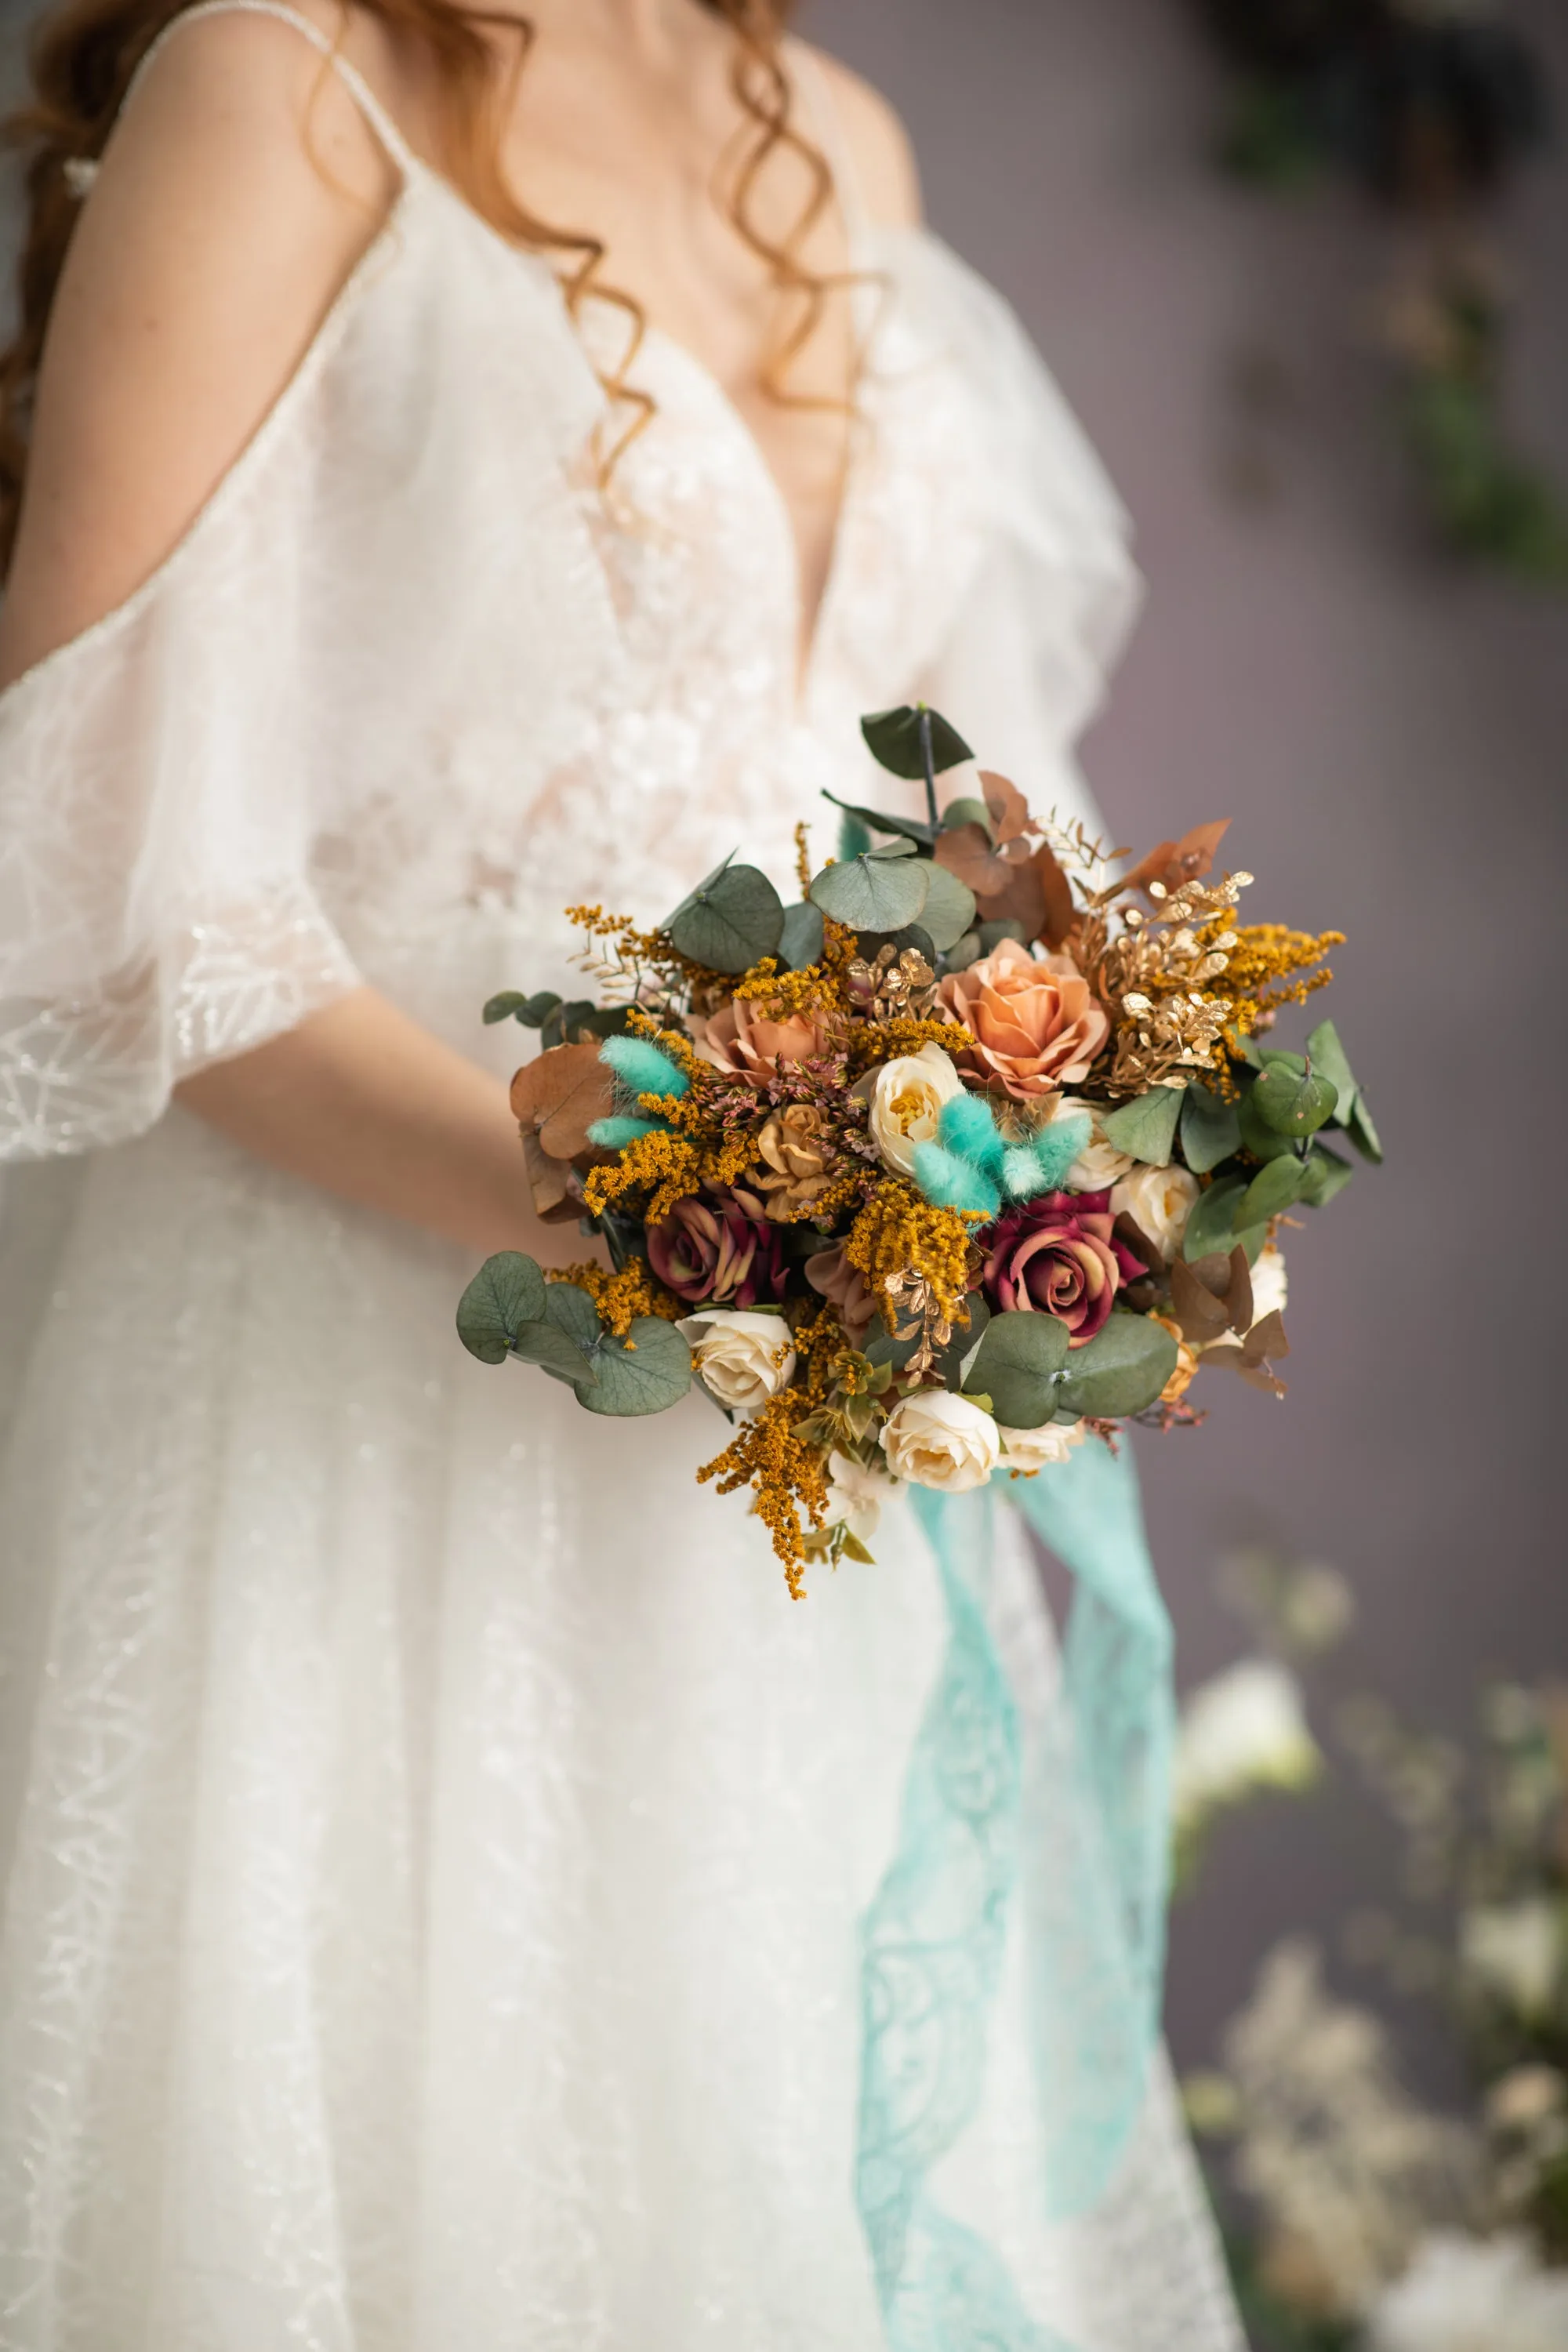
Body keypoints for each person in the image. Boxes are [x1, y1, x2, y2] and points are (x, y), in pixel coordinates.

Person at [0, 2, 1244, 2343]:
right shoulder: (283, 81)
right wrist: (589, 1207)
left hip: (790, 1483)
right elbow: (91, 865)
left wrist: (1078, 1121)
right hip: (355, 1423)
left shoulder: (833, 134)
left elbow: (959, 789)